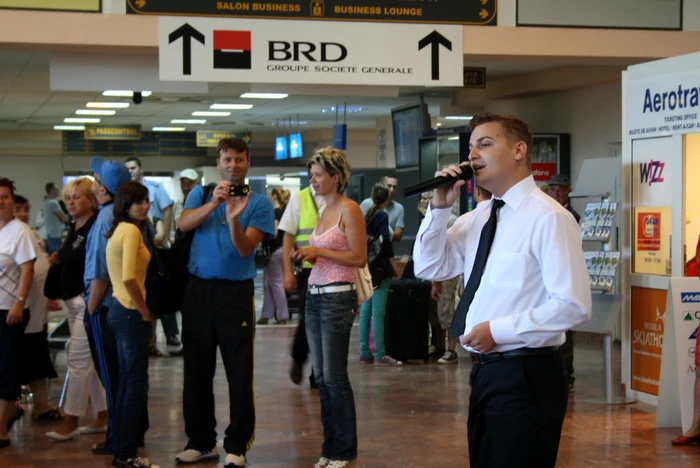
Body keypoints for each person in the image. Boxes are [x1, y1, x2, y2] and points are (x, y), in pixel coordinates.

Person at [413, 113, 591, 468]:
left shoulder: (548, 217)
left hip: (526, 373)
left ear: (519, 150)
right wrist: (438, 208)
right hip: (486, 372)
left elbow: (573, 305)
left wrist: (497, 330)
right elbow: (430, 266)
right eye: (471, 147)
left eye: (485, 144)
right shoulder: (480, 216)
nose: (473, 155)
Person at [176, 138, 274, 467]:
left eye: (240, 160)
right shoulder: (200, 194)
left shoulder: (259, 204)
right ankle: (201, 441)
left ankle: (237, 445)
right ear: (218, 162)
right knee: (197, 370)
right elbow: (183, 224)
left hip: (234, 294)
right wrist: (213, 203)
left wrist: (233, 217)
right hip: (197, 291)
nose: (233, 165)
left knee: (238, 370)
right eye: (227, 159)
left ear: (248, 163)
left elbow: (245, 249)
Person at [291, 147, 366, 468]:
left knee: (335, 376)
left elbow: (358, 257)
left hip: (338, 297)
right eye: (311, 175)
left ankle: (344, 449)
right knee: (321, 377)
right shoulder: (323, 210)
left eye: (318, 175)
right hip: (315, 295)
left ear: (335, 177)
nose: (313, 180)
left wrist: (318, 253)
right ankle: (329, 446)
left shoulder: (349, 210)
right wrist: (306, 254)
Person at [84, 156, 148, 457]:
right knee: (126, 376)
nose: (93, 186)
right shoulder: (125, 223)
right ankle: (126, 439)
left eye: (97, 180)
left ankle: (119, 441)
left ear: (107, 188)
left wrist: (91, 311)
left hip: (111, 305)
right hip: (124, 306)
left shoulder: (111, 220)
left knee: (117, 379)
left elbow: (101, 272)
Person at [45, 178, 108, 441]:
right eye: (68, 197)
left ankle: (71, 419)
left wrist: (91, 301)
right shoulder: (75, 227)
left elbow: (98, 266)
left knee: (78, 360)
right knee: (88, 362)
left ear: (92, 201)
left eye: (77, 197)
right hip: (73, 301)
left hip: (86, 301)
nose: (71, 202)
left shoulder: (95, 226)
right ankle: (104, 415)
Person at [105, 182, 158, 468]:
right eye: (139, 202)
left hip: (119, 309)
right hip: (129, 311)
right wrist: (145, 312)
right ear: (126, 205)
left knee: (127, 384)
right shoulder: (131, 230)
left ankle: (123, 450)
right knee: (134, 385)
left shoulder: (121, 230)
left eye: (147, 200)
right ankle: (125, 453)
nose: (145, 206)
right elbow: (128, 278)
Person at [430, 185, 492, 365]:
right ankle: (446, 346)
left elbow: (440, 256)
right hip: (458, 277)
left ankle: (451, 349)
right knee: (446, 312)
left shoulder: (458, 221)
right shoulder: (464, 221)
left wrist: (439, 281)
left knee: (450, 312)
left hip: (454, 277)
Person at [125, 157, 179, 352]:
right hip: (136, 248)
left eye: (133, 167)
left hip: (156, 245)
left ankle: (172, 335)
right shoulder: (124, 191)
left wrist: (165, 235)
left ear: (141, 169)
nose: (131, 171)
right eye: (128, 168)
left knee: (162, 288)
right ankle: (149, 341)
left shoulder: (155, 188)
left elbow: (167, 209)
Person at [0, 178, 36, 449]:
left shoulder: (20, 231)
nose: (1, 201)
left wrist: (18, 302)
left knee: (7, 367)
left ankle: (1, 428)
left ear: (13, 201)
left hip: (9, 310)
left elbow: (27, 271)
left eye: (5, 197)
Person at [358, 182, 401, 366]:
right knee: (378, 312)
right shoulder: (382, 215)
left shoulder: (366, 216)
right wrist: (394, 265)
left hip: (366, 268)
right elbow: (386, 242)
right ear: (386, 198)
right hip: (380, 270)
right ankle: (380, 353)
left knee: (365, 312)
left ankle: (365, 351)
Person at [547, 173, 581, 391]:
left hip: (565, 276)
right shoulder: (544, 213)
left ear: (568, 191)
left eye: (561, 188)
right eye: (553, 189)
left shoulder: (572, 216)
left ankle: (566, 375)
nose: (557, 193)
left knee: (565, 331)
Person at [259, 188, 291, 325]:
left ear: (273, 196)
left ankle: (283, 315)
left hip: (274, 251)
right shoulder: (285, 211)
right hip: (284, 249)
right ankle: (266, 314)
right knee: (271, 283)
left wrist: (262, 233)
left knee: (275, 283)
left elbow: (274, 232)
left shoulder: (275, 212)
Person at [360, 173, 404, 243]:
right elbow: (359, 231)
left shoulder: (399, 208)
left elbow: (398, 236)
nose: (391, 190)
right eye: (389, 186)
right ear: (382, 186)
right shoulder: (366, 203)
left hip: (384, 250)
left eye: (394, 187)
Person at [43, 182, 68, 254]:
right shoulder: (53, 203)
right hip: (57, 235)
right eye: (57, 189)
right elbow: (64, 218)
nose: (58, 191)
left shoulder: (45, 202)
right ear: (52, 190)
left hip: (51, 234)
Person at [172, 169, 199, 234]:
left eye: (189, 184)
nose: (185, 188)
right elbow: (173, 230)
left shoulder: (204, 204)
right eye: (183, 183)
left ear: (197, 184)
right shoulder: (177, 205)